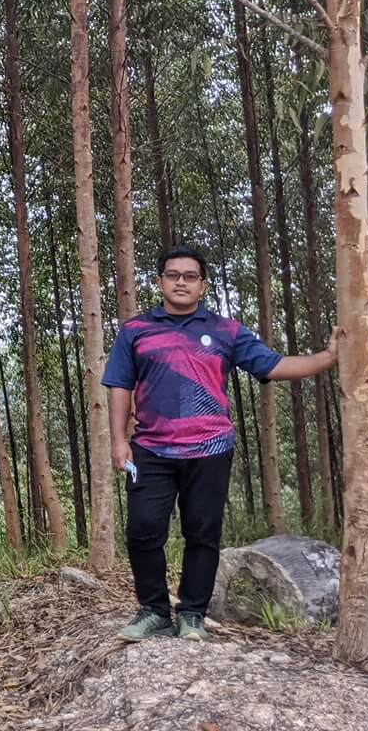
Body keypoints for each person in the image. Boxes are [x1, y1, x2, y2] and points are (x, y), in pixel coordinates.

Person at [102, 248, 336, 643]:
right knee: (143, 530)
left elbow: (274, 365)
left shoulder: (226, 331)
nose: (180, 282)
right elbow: (120, 386)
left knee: (203, 533)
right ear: (159, 282)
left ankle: (192, 613)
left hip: (210, 448)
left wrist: (329, 357)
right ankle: (154, 610)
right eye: (172, 275)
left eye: (190, 276)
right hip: (149, 450)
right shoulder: (135, 330)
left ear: (202, 285)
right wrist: (118, 440)